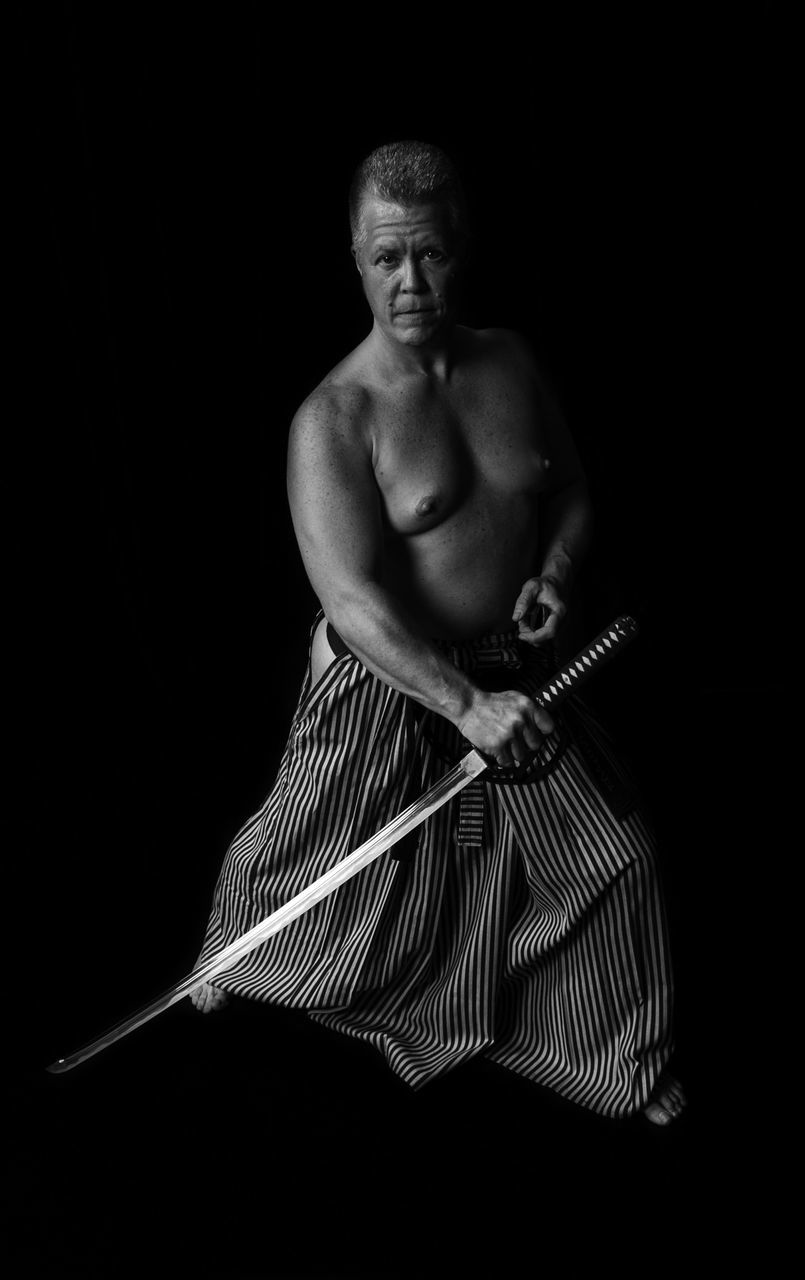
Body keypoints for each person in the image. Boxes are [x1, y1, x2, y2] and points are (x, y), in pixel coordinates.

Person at [190, 140, 685, 1126]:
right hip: (388, 683)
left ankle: (621, 1062)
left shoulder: (509, 360)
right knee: (307, 867)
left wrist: (552, 569)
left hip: (516, 668)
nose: (409, 281)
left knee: (615, 860)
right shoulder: (332, 418)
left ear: (460, 248)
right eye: (385, 258)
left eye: (428, 254)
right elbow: (354, 604)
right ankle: (234, 951)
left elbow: (573, 490)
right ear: (354, 256)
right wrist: (462, 704)